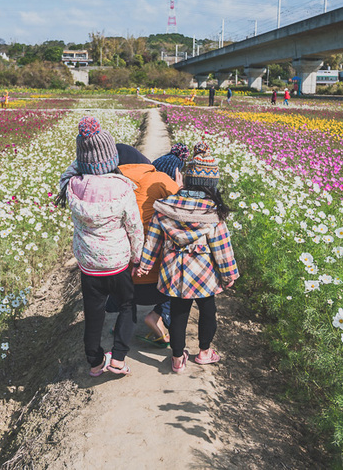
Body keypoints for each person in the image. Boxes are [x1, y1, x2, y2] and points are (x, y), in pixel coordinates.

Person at [135, 146, 239, 374]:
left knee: (179, 313)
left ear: (186, 179)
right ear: (211, 184)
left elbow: (152, 242)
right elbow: (222, 248)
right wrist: (229, 275)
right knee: (208, 311)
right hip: (204, 275)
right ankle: (204, 353)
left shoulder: (165, 207)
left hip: (174, 273)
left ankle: (176, 359)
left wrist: (144, 266)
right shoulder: (213, 212)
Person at [57, 116, 144, 377]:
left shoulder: (73, 186)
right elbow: (135, 228)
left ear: (81, 161)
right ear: (112, 159)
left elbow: (67, 173)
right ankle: (117, 359)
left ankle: (95, 363)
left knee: (93, 315)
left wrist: (84, 155)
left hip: (90, 266)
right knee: (128, 305)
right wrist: (137, 258)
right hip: (118, 263)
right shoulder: (123, 187)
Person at [117, 143, 188, 347]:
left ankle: (121, 323)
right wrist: (180, 188)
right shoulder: (161, 181)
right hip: (157, 284)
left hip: (120, 281)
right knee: (186, 263)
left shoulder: (113, 184)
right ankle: (160, 314)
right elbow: (186, 212)